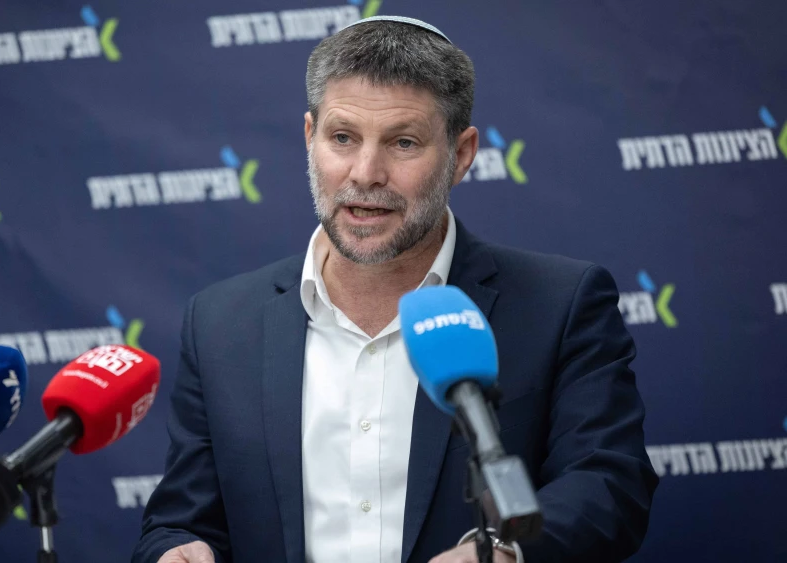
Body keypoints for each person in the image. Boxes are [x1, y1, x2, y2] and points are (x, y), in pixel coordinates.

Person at [132, 15, 657, 563]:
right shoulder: (219, 322)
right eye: (342, 138)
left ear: (461, 155)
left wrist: (502, 553)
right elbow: (179, 520)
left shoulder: (560, 304)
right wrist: (176, 550)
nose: (366, 173)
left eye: (403, 142)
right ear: (310, 138)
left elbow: (608, 484)